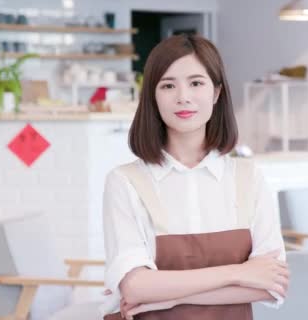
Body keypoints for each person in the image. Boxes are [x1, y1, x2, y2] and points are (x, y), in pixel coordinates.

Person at [100, 34, 288, 320]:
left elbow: (271, 285)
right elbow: (135, 287)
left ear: (216, 93)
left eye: (196, 83)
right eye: (168, 85)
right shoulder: (125, 182)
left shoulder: (249, 178)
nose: (183, 97)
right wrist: (239, 273)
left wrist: (162, 300)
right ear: (152, 96)